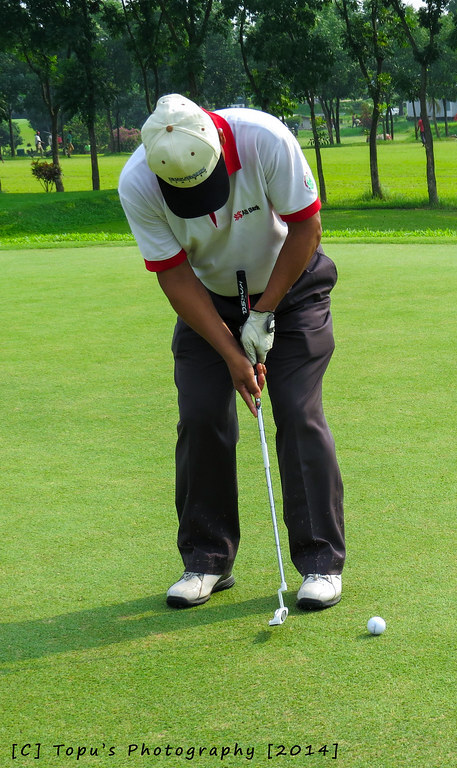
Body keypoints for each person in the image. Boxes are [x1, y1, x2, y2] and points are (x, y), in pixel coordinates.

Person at [118, 94, 345, 611]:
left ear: (219, 143)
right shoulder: (137, 182)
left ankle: (320, 563)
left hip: (293, 282)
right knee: (200, 413)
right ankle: (206, 560)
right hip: (207, 298)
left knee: (296, 408)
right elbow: (174, 276)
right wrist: (231, 352)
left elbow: (307, 228)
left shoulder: (264, 138)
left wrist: (265, 312)